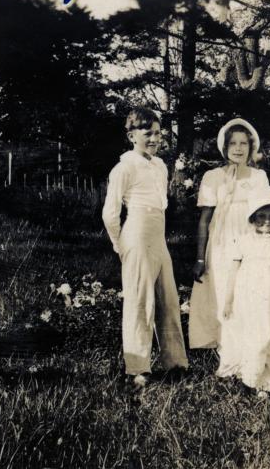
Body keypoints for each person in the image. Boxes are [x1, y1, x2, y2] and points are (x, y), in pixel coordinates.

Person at [101, 106, 189, 388]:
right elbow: (110, 214)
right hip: (136, 234)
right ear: (131, 136)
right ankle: (137, 367)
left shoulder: (160, 165)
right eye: (147, 133)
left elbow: (160, 204)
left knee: (168, 298)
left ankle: (175, 362)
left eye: (157, 133)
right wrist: (119, 244)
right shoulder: (123, 167)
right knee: (140, 301)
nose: (154, 138)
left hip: (157, 234)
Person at [188, 119, 269, 375]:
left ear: (251, 147)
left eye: (243, 143)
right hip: (222, 243)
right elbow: (205, 220)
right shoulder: (213, 177)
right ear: (224, 147)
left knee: (248, 295)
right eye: (233, 143)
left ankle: (250, 356)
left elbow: (264, 215)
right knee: (224, 295)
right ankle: (228, 357)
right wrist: (200, 258)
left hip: (249, 241)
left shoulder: (259, 177)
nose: (238, 148)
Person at [222, 186, 270, 396]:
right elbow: (233, 272)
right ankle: (251, 379)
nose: (267, 221)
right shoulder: (243, 241)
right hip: (250, 293)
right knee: (255, 333)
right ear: (253, 218)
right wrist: (228, 301)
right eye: (261, 216)